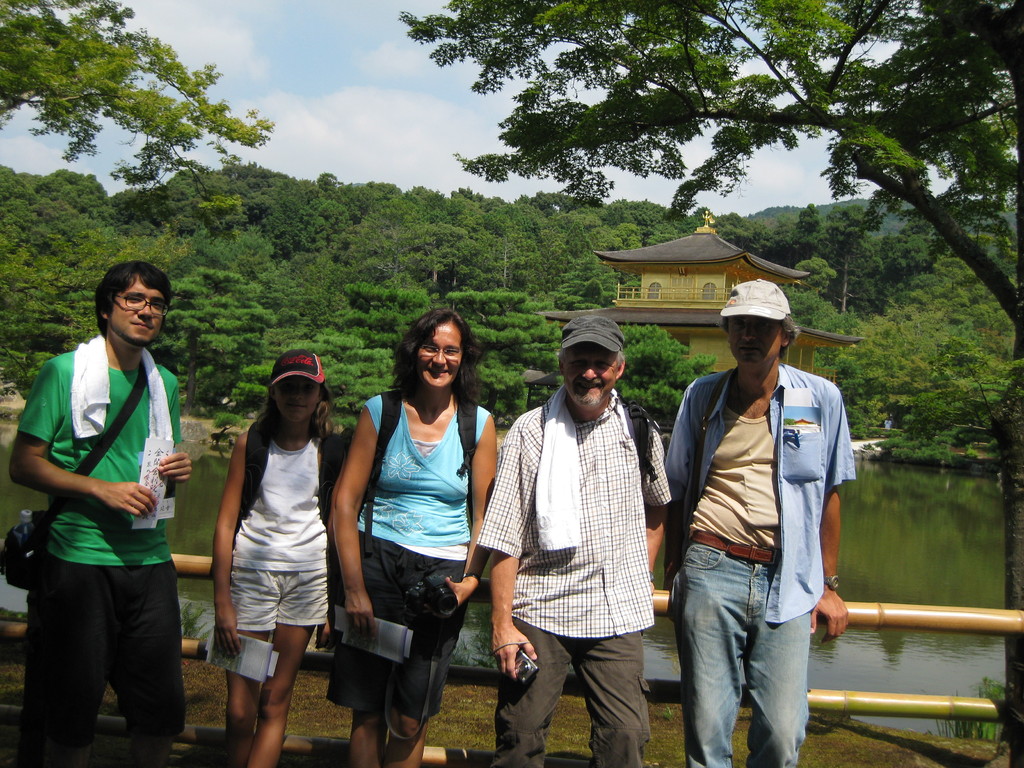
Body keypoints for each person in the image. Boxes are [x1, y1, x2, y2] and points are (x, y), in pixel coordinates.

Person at [664, 279, 857, 768]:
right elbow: (676, 487)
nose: (748, 335)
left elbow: (830, 493)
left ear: (785, 335)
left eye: (762, 326)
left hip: (790, 577)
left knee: (783, 731)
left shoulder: (818, 397)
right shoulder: (703, 395)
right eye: (739, 325)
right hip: (711, 563)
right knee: (707, 726)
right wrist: (674, 571)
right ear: (728, 333)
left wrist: (828, 583)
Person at [9, 261, 193, 768]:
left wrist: (178, 469)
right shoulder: (63, 372)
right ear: (106, 307)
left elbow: (158, 465)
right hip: (79, 558)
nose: (146, 311)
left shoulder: (164, 381)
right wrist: (99, 489)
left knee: (161, 714)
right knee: (72, 713)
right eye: (134, 299)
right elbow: (23, 464)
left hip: (150, 560)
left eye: (157, 303)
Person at [477, 315, 670, 768]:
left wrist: (642, 570)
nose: (589, 373)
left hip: (616, 610)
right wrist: (501, 624)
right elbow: (505, 534)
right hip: (540, 609)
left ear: (618, 368)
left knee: (625, 737)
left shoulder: (637, 428)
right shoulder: (531, 431)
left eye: (600, 363)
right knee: (520, 736)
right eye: (579, 360)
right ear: (562, 364)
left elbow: (658, 505)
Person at [328, 308, 497, 768]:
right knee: (366, 709)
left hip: (442, 573)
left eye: (451, 350)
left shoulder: (478, 424)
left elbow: (484, 513)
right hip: (377, 563)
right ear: (413, 351)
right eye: (430, 348)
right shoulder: (380, 411)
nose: (440, 360)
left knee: (411, 715)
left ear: (463, 358)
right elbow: (345, 503)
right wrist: (354, 589)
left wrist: (471, 579)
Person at [212, 350, 341, 768]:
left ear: (320, 394)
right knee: (240, 706)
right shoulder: (251, 443)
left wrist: (333, 604)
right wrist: (221, 601)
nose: (297, 396)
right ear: (274, 392)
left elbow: (338, 526)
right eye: (288, 387)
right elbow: (225, 523)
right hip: (250, 576)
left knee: (274, 700)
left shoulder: (331, 449)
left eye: (306, 387)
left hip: (306, 580)